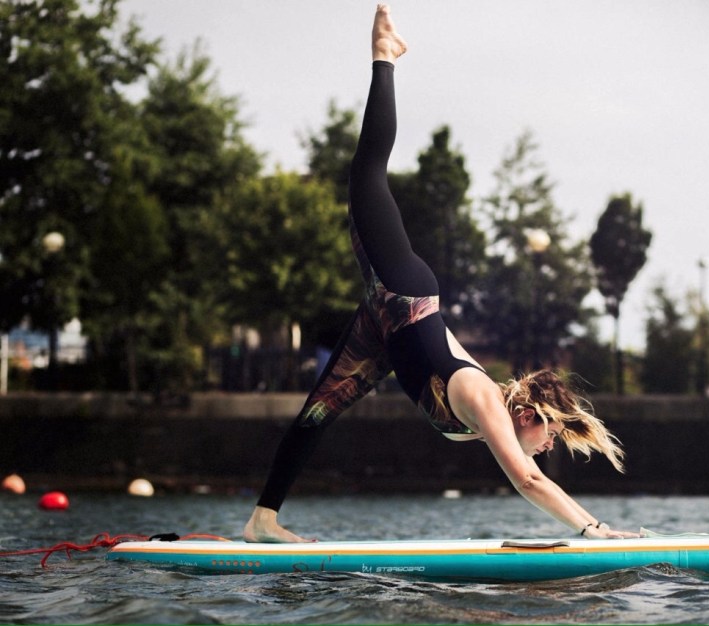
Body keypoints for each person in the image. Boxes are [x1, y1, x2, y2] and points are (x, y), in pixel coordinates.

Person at [244, 4, 638, 543]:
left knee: (317, 413)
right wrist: (595, 529)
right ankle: (384, 55)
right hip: (402, 291)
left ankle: (262, 520)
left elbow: (440, 346)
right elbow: (527, 479)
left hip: (385, 332)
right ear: (530, 413)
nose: (550, 446)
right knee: (366, 173)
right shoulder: (483, 399)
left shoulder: (490, 406)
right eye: (552, 433)